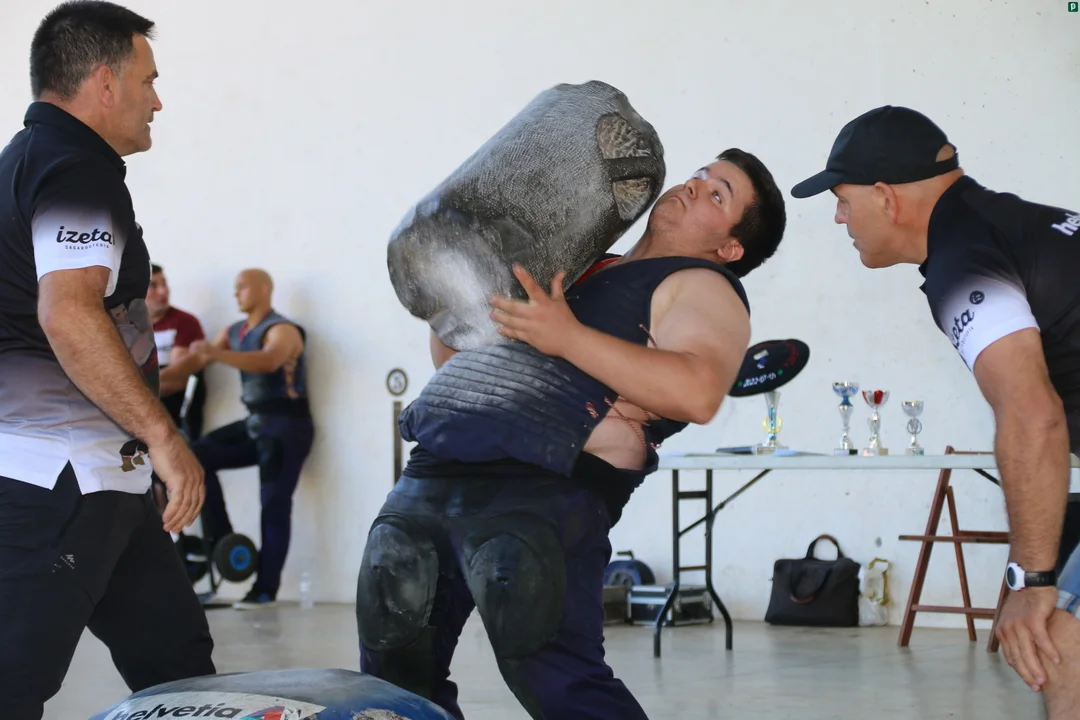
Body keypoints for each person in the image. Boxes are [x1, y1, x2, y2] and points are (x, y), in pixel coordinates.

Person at [356, 149, 786, 719]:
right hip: (432, 472)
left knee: (558, 682)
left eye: (717, 194)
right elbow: (458, 360)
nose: (692, 186)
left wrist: (567, 337)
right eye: (698, 175)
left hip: (544, 489)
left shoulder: (703, 286)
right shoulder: (578, 263)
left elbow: (698, 391)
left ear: (731, 247)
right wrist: (455, 299)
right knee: (393, 673)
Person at [789, 105, 1080, 717]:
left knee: (1058, 645)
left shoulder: (965, 258)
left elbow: (1032, 416)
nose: (839, 217)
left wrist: (1030, 580)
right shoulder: (1010, 224)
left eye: (842, 200)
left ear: (885, 196)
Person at [0, 3, 214, 718]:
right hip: (60, 479)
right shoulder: (74, 171)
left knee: (181, 672)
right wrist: (164, 436)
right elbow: (68, 312)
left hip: (105, 481)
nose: (157, 101)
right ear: (104, 82)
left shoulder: (28, 162)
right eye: (148, 80)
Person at [189, 268, 314, 610]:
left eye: (242, 287)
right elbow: (195, 362)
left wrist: (215, 354)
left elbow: (269, 361)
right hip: (256, 422)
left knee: (274, 504)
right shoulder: (233, 332)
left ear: (263, 289)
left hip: (287, 426)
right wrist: (150, 380)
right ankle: (225, 540)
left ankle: (264, 590)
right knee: (194, 457)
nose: (236, 293)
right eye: (235, 288)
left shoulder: (282, 329)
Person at [147, 263, 209, 441]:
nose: (163, 291)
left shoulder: (184, 322)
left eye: (164, 284)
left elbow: (177, 381)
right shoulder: (124, 326)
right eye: (153, 285)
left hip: (174, 418)